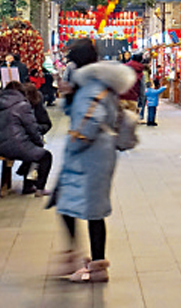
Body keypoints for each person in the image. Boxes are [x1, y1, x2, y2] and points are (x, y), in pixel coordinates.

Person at [52, 37, 137, 283]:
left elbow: (91, 118)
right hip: (92, 156)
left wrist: (77, 139)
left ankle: (94, 265)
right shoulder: (94, 83)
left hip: (90, 156)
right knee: (79, 207)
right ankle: (85, 261)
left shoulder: (92, 86)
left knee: (87, 209)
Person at [0, 81, 52, 196]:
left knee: (30, 148)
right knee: (45, 156)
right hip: (16, 146)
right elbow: (32, 128)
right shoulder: (22, 105)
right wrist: (39, 143)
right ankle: (40, 188)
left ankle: (26, 180)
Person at [15, 82, 52, 183]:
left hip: (25, 139)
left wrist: (36, 130)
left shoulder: (35, 106)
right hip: (20, 140)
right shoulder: (18, 107)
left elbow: (46, 124)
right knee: (38, 151)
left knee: (34, 148)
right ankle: (32, 184)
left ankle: (28, 177)